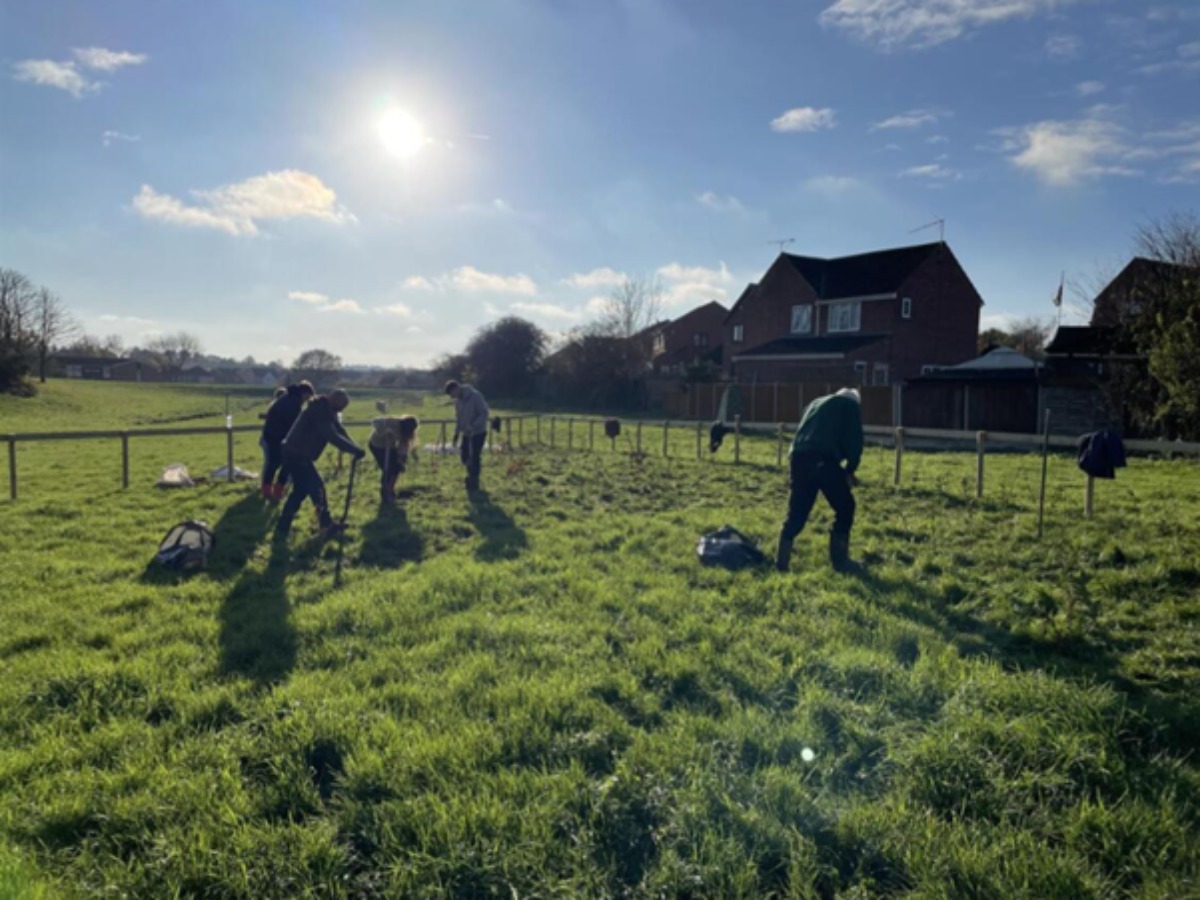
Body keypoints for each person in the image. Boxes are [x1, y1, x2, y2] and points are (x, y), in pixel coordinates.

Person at [775, 387, 864, 573]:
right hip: (822, 458)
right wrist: (850, 469)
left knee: (797, 511)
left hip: (798, 458)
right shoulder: (850, 406)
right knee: (845, 506)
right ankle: (841, 561)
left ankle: (781, 562)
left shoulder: (815, 403)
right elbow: (854, 440)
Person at [275, 388, 366, 541]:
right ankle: (325, 523)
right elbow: (332, 436)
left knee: (300, 492)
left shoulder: (327, 410)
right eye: (341, 406)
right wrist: (354, 450)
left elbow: (339, 430)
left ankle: (283, 527)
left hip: (297, 455)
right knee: (318, 489)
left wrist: (354, 448)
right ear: (335, 401)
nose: (341, 410)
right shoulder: (319, 411)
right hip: (296, 455)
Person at [259, 382, 313, 501]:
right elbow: (293, 424)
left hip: (272, 435)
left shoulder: (287, 398)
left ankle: (267, 490)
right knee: (286, 464)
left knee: (273, 464)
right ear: (304, 393)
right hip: (278, 437)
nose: (306, 400)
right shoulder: (294, 403)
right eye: (307, 397)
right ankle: (277, 491)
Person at [445, 379, 490, 493]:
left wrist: (473, 425)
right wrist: (456, 433)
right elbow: (459, 418)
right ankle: (470, 474)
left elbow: (484, 413)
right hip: (466, 433)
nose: (452, 397)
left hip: (478, 432)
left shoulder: (475, 396)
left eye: (452, 393)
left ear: (456, 388)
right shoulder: (458, 402)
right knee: (464, 455)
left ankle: (474, 479)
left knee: (474, 455)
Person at [368, 414, 419, 505]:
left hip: (390, 446)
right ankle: (385, 491)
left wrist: (402, 459)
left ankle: (391, 489)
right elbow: (375, 421)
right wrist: (384, 431)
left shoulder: (406, 433)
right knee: (387, 469)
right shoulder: (393, 422)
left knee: (396, 468)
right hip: (377, 445)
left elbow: (404, 446)